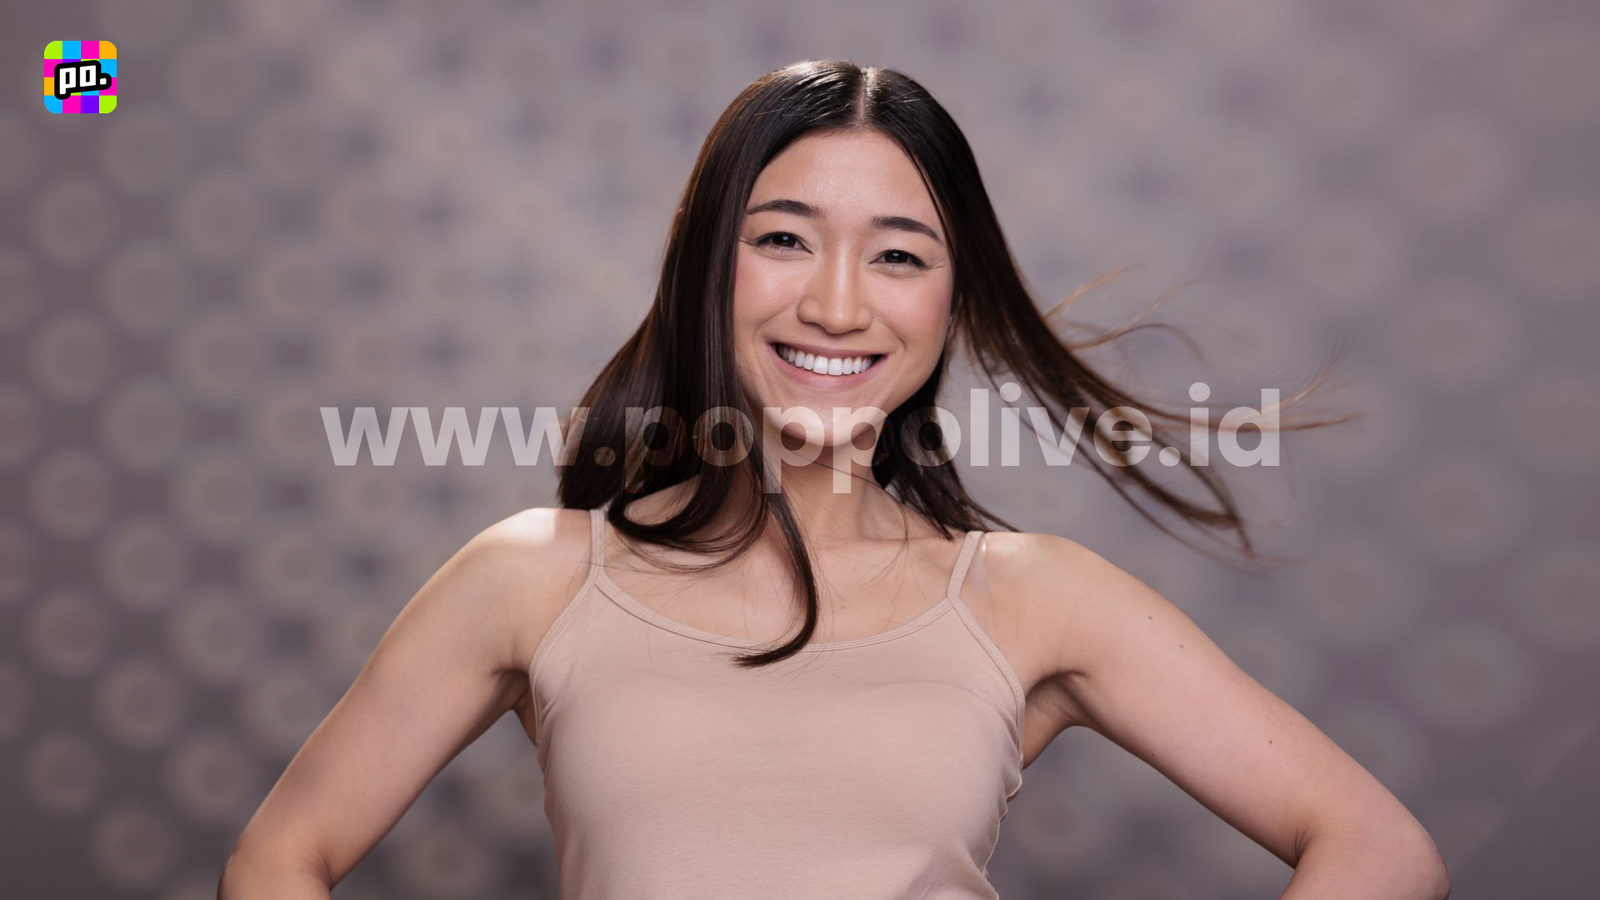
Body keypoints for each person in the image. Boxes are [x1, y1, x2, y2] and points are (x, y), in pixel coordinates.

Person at [218, 60, 1451, 899]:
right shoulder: (532, 576)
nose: (838, 304)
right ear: (708, 269)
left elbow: (1378, 850)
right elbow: (277, 860)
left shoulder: (1033, 597)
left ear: (949, 306)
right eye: (782, 239)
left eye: (898, 256)